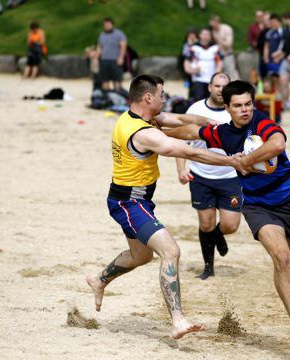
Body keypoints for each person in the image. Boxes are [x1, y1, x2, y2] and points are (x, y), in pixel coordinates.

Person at [85, 74, 246, 340]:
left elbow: (184, 120)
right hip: (129, 203)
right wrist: (232, 161)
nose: (165, 98)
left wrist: (221, 124)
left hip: (138, 200)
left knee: (141, 256)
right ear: (148, 97)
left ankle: (99, 279)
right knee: (170, 251)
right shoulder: (142, 132)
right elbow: (188, 151)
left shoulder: (140, 118)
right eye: (162, 94)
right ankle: (178, 320)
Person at [165, 80, 290, 345]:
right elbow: (191, 130)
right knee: (281, 258)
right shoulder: (223, 133)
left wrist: (244, 161)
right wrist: (158, 130)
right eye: (238, 106)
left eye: (248, 104)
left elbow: (278, 145)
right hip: (258, 205)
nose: (244, 110)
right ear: (227, 108)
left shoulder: (261, 122)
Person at [175, 73, 241, 280]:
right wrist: (181, 169)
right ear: (209, 87)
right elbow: (182, 140)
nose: (221, 90)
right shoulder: (195, 110)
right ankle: (208, 267)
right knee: (206, 223)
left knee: (231, 225)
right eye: (217, 86)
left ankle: (218, 235)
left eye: (225, 86)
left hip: (230, 175)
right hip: (200, 175)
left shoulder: (236, 109)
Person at [184, 28, 222, 102]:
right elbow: (187, 64)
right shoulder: (193, 48)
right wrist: (192, 70)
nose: (205, 36)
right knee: (198, 100)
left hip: (211, 80)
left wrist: (217, 74)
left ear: (210, 36)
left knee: (211, 101)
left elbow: (219, 62)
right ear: (200, 35)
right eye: (203, 34)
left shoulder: (215, 48)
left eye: (207, 34)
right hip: (198, 80)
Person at [97, 17, 127, 91]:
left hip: (115, 60)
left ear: (112, 24)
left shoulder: (119, 34)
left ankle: (118, 95)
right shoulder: (102, 35)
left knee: (117, 81)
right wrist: (96, 57)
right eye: (105, 24)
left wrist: (121, 57)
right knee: (104, 80)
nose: (106, 26)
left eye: (108, 24)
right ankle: (106, 98)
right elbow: (99, 47)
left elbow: (123, 46)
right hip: (104, 60)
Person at [210, 15, 240, 81]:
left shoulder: (226, 29)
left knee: (231, 75)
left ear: (218, 22)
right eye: (212, 26)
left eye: (214, 25)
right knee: (217, 76)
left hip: (227, 55)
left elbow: (229, 44)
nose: (213, 27)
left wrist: (218, 38)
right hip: (217, 57)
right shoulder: (212, 31)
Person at [263, 14, 284, 92]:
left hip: (278, 58)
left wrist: (279, 55)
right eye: (271, 22)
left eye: (274, 22)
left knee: (280, 76)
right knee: (273, 75)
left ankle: (281, 92)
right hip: (271, 58)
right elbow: (266, 45)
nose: (272, 24)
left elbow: (284, 45)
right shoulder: (269, 32)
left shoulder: (282, 32)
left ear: (279, 22)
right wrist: (265, 56)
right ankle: (276, 92)